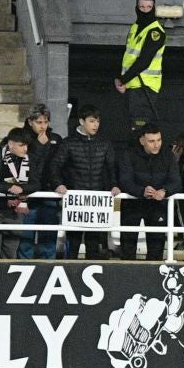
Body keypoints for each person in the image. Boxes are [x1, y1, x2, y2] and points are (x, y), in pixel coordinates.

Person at [48, 105, 118, 259]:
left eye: (98, 121)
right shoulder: (68, 143)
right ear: (81, 121)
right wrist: (58, 184)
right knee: (73, 244)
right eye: (92, 121)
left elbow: (112, 167)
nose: (96, 125)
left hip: (97, 201)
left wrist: (114, 185)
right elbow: (55, 165)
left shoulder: (105, 143)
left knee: (94, 245)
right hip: (75, 201)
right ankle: (69, 276)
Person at [118, 123, 180, 260]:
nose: (156, 145)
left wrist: (164, 191)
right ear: (142, 141)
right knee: (128, 245)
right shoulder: (129, 154)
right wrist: (141, 191)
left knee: (156, 247)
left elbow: (176, 181)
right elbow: (125, 180)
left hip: (158, 206)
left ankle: (154, 280)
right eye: (152, 141)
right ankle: (126, 278)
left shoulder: (167, 156)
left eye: (159, 140)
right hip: (132, 205)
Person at [116, 0, 168, 133]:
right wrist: (123, 80)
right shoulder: (135, 27)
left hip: (145, 85)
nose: (145, 10)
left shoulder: (155, 32)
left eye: (149, 7)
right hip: (133, 84)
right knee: (133, 127)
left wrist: (122, 79)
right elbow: (128, 56)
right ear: (136, 8)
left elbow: (144, 60)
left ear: (154, 8)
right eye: (142, 7)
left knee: (141, 130)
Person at [0, 125, 35, 257]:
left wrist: (21, 189)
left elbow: (36, 183)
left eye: (27, 145)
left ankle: (5, 278)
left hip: (15, 210)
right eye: (22, 145)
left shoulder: (30, 158)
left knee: (11, 251)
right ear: (10, 144)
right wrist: (9, 188)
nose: (25, 149)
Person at [18, 103, 60, 258]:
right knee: (25, 235)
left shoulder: (55, 139)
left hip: (49, 194)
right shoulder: (20, 139)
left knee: (48, 236)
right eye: (39, 122)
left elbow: (57, 165)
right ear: (30, 122)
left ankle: (48, 267)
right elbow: (25, 163)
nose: (43, 126)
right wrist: (39, 146)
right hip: (27, 194)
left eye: (46, 122)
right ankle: (23, 266)